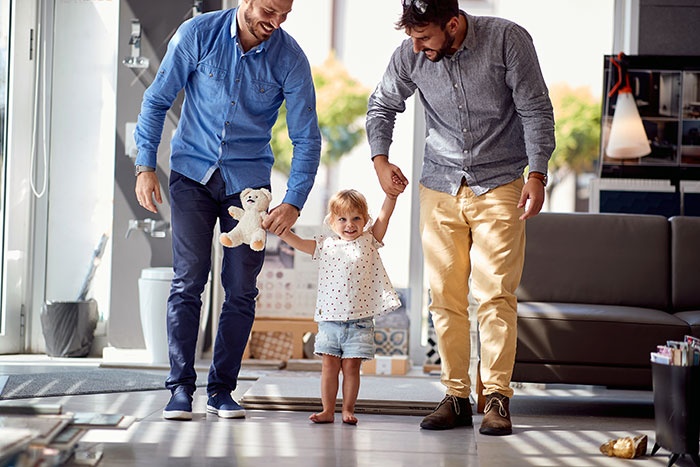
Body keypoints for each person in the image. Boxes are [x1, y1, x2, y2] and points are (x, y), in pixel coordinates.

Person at [366, 0, 555, 436]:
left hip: (502, 181)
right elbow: (381, 105)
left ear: (452, 23)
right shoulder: (410, 52)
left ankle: (497, 399)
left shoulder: (508, 39)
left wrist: (538, 173)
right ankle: (455, 396)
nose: (417, 46)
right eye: (411, 38)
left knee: (495, 296)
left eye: (425, 37)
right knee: (444, 298)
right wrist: (380, 160)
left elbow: (535, 108)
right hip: (439, 185)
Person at [133, 0, 321, 421]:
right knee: (189, 278)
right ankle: (180, 388)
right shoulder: (198, 34)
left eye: (285, 15)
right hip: (191, 175)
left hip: (248, 185)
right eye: (269, 11)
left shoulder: (290, 59)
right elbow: (157, 98)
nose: (275, 23)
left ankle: (221, 390)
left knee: (240, 287)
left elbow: (307, 137)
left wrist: (293, 200)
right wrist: (145, 165)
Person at [278, 189, 402, 424]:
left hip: (360, 321)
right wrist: (283, 233)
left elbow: (384, 217)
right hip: (330, 321)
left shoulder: (369, 240)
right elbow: (299, 243)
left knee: (352, 368)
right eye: (342, 219)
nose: (350, 224)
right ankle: (327, 410)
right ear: (331, 221)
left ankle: (347, 409)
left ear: (365, 220)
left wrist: (391, 197)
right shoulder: (325, 245)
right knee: (328, 367)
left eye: (356, 218)